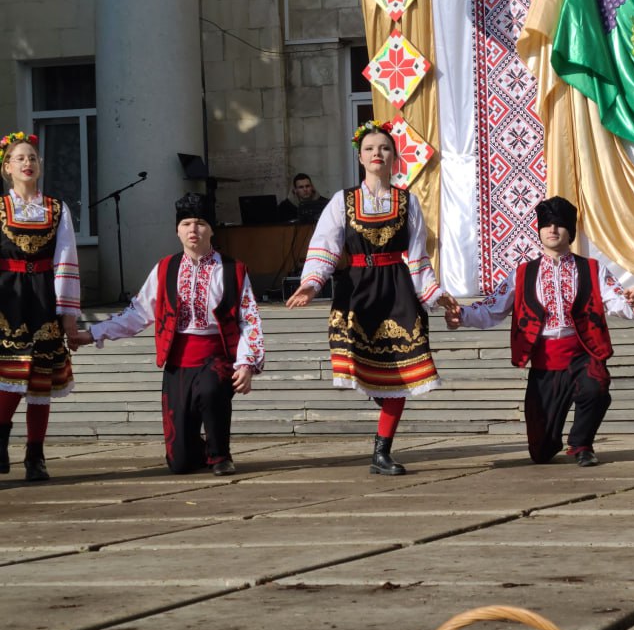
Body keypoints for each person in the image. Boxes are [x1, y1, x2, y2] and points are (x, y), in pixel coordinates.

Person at [286, 120, 458, 475]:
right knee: (364, 365)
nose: (377, 154)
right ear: (360, 157)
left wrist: (435, 293)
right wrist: (312, 282)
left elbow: (417, 254)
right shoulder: (342, 200)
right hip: (358, 289)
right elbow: (324, 245)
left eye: (383, 148)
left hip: (397, 289)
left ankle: (382, 452)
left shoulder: (407, 201)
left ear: (394, 157)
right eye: (369, 149)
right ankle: (382, 407)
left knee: (399, 374)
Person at [445, 197, 634, 465]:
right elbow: (492, 308)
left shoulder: (593, 269)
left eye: (560, 224)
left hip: (581, 353)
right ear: (539, 230)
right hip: (544, 362)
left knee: (596, 385)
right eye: (547, 224)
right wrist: (462, 315)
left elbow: (619, 302)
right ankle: (551, 441)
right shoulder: (523, 273)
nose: (553, 229)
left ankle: (581, 444)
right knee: (541, 451)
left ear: (570, 232)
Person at [73, 194, 264, 475]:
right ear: (177, 230)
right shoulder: (165, 268)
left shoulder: (232, 269)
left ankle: (220, 455)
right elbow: (138, 313)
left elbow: (249, 319)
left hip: (217, 356)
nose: (193, 230)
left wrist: (246, 364)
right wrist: (93, 334)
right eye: (186, 223)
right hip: (178, 361)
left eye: (200, 223)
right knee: (180, 463)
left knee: (212, 391)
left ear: (211, 229)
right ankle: (194, 450)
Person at [0, 131, 81, 482]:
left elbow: (66, 259)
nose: (27, 163)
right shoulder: (0, 208)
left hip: (45, 295)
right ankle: (0, 444)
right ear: (7, 168)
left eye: (32, 158)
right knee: (7, 376)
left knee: (40, 379)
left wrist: (68, 316)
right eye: (20, 158)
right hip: (7, 297)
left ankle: (36, 454)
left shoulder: (56, 208)